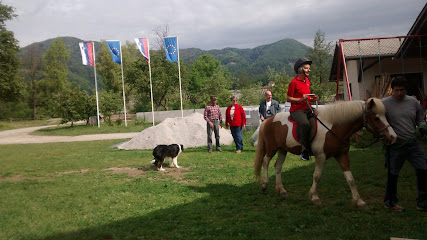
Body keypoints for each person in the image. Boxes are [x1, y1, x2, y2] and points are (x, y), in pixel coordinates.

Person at [381, 76, 427, 212]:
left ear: (406, 89)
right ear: (392, 90)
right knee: (392, 174)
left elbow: (420, 118)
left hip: (413, 144)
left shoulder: (413, 102)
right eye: (397, 90)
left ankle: (423, 203)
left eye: (402, 90)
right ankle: (390, 203)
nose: (399, 93)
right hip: (395, 146)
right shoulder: (384, 103)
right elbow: (379, 122)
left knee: (423, 170)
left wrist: (423, 126)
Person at [287, 58, 319, 161]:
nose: (309, 70)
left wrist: (313, 99)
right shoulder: (294, 83)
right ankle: (304, 150)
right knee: (305, 124)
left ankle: (314, 146)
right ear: (301, 70)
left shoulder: (307, 81)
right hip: (297, 110)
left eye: (309, 68)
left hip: (307, 108)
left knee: (319, 120)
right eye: (306, 68)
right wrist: (301, 99)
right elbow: (288, 98)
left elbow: (307, 97)